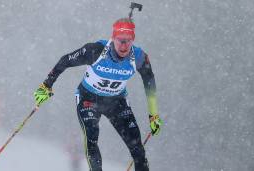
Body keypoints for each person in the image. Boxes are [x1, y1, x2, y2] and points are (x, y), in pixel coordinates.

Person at [34, 18, 163, 171]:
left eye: (128, 41)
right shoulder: (96, 50)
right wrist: (46, 85)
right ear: (113, 38)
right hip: (88, 99)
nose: (124, 45)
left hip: (117, 102)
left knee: (137, 148)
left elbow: (149, 82)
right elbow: (66, 60)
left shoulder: (139, 57)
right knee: (92, 138)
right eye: (120, 40)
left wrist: (153, 114)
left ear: (133, 40)